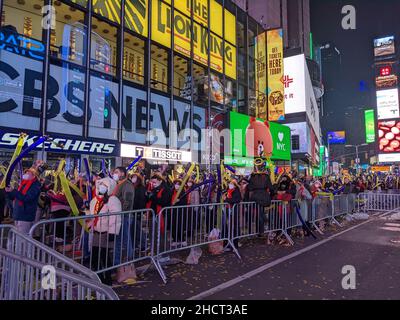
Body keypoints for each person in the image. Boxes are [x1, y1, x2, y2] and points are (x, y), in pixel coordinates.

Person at [88, 176, 122, 285]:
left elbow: (115, 217)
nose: (102, 187)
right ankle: (98, 278)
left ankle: (107, 280)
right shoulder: (95, 200)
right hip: (96, 231)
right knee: (94, 257)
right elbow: (92, 214)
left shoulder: (113, 200)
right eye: (101, 185)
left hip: (106, 232)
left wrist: (113, 232)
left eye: (105, 185)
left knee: (104, 257)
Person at [112, 166, 136, 283]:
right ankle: (116, 264)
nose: (114, 174)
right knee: (118, 239)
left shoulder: (127, 185)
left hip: (125, 216)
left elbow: (128, 201)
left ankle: (129, 262)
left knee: (126, 240)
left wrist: (121, 212)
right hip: (119, 216)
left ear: (122, 173)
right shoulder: (118, 184)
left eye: (116, 172)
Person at [5, 167, 41, 234]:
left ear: (33, 175)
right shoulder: (23, 184)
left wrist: (14, 191)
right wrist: (9, 192)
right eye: (26, 172)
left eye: (28, 173)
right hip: (18, 214)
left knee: (23, 239)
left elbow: (26, 198)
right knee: (18, 236)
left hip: (25, 215)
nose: (25, 174)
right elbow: (15, 197)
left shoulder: (35, 185)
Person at [248, 162, 274, 236]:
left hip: (255, 196)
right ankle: (260, 231)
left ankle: (258, 231)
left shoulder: (253, 177)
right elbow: (271, 188)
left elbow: (250, 188)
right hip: (263, 196)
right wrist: (271, 196)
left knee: (258, 214)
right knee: (261, 214)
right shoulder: (266, 176)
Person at [222, 178, 242, 249]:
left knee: (234, 228)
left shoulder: (236, 191)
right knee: (227, 228)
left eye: (232, 184)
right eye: (229, 183)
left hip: (234, 212)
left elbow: (237, 200)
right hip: (228, 211)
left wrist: (226, 199)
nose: (230, 185)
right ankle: (227, 244)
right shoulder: (227, 191)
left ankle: (235, 245)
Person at [170, 178, 188, 246]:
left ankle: (182, 239)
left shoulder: (183, 192)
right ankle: (175, 239)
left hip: (180, 212)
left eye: (178, 184)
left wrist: (179, 201)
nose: (176, 185)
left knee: (180, 225)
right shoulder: (172, 191)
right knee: (173, 225)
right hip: (173, 211)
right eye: (175, 184)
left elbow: (185, 202)